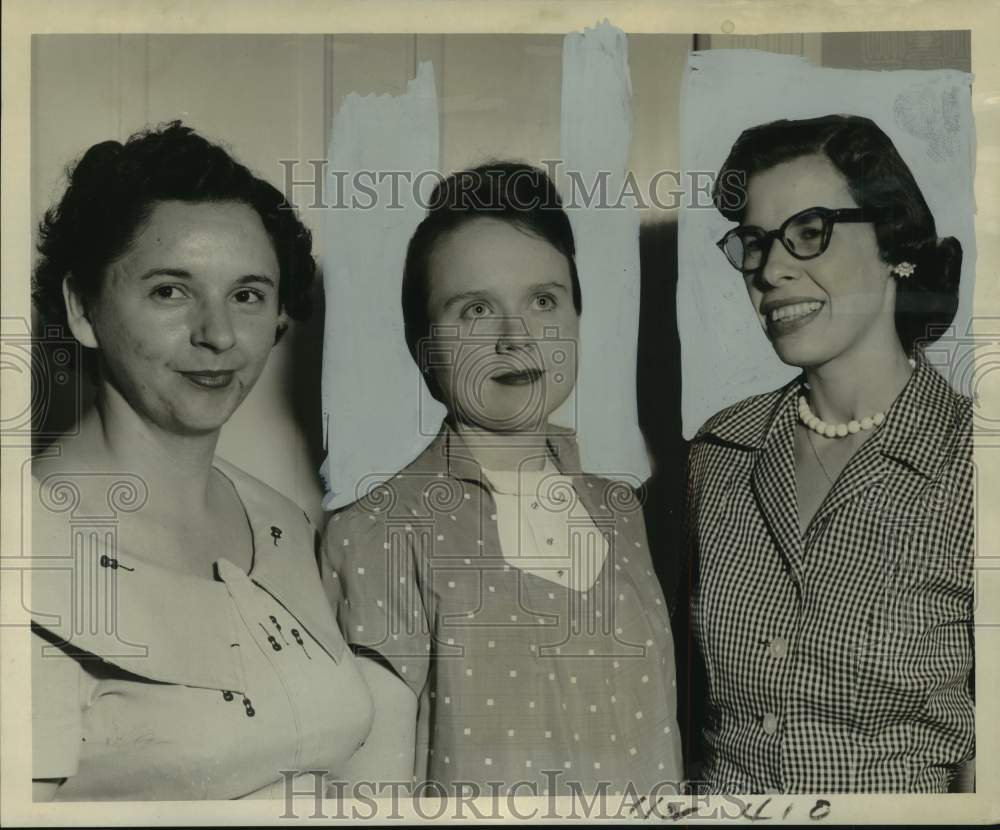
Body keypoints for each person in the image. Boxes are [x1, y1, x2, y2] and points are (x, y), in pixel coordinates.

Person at [29, 122, 391, 800]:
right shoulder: (26, 553)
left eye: (248, 295)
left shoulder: (283, 526)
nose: (218, 335)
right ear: (82, 309)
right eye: (171, 291)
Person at [323, 162, 684, 797]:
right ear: (422, 346)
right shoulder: (379, 532)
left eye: (543, 300)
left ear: (576, 316)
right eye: (474, 310)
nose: (516, 338)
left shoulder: (622, 510)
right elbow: (368, 801)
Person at [684, 114, 974, 793]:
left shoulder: (974, 465)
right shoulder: (717, 455)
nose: (771, 270)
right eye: (754, 243)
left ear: (893, 241)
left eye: (809, 233)